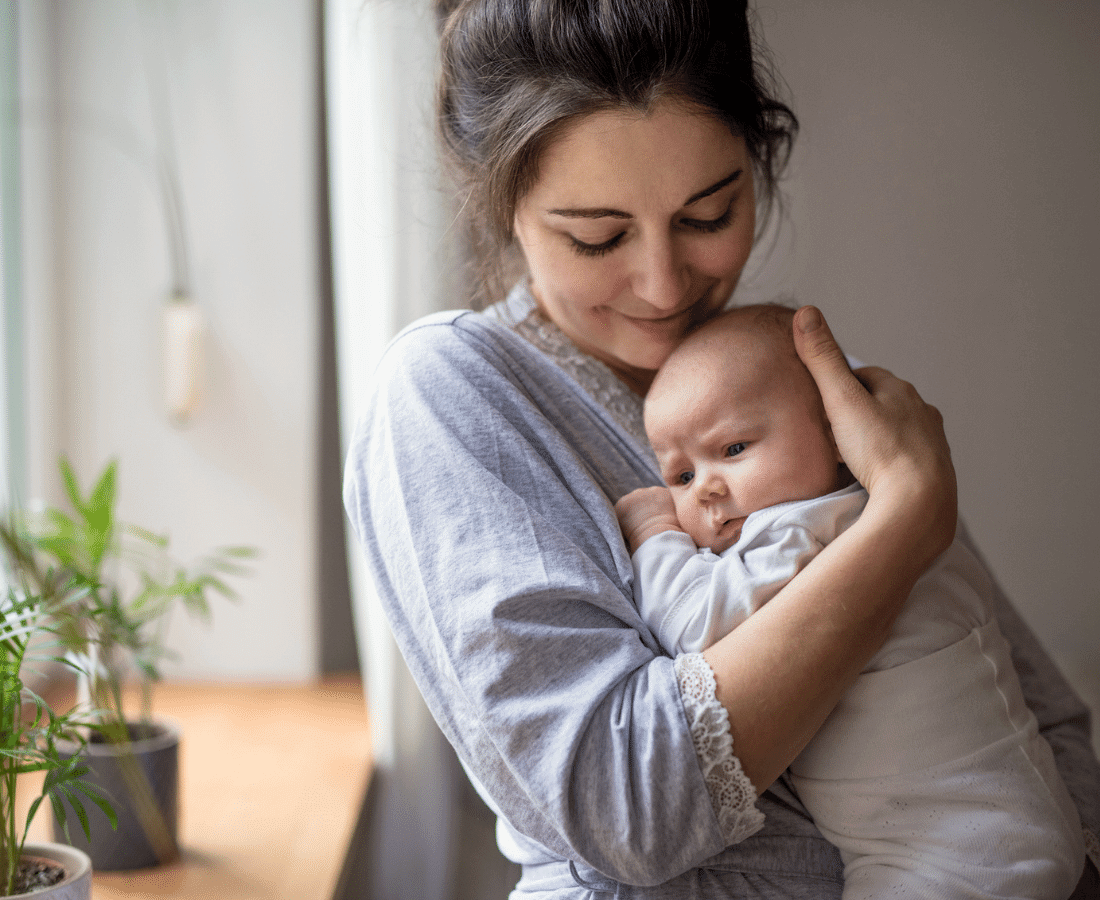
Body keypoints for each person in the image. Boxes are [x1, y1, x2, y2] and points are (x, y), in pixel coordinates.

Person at [343, 1, 1100, 896]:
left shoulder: (794, 374)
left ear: (761, 156)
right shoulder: (449, 393)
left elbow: (1037, 714)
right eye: (599, 236)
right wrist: (902, 521)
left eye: (710, 214)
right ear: (500, 205)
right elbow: (625, 810)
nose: (665, 287)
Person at [615, 303, 1085, 898]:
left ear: (839, 432)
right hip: (987, 826)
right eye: (680, 476)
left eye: (733, 448)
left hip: (953, 848)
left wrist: (656, 537)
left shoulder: (807, 530)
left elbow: (695, 627)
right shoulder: (869, 515)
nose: (706, 487)